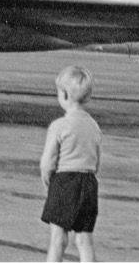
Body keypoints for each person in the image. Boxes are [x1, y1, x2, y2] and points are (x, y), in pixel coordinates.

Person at [39, 65, 101, 261]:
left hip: (65, 182)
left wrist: (48, 181)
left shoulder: (59, 126)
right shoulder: (93, 126)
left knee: (58, 239)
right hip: (89, 183)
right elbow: (96, 160)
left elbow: (47, 162)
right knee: (85, 240)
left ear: (64, 95)